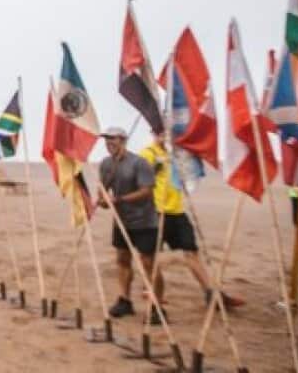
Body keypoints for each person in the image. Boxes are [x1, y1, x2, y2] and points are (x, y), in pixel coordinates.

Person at [141, 132, 244, 309]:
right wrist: (153, 169)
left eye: (166, 132)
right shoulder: (147, 153)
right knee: (150, 258)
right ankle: (154, 294)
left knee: (191, 252)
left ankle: (210, 293)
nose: (163, 136)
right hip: (156, 212)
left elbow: (187, 172)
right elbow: (141, 179)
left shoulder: (176, 154)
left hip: (177, 211)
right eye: (159, 133)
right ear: (153, 134)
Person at [97, 126, 161, 321]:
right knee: (123, 260)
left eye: (113, 139)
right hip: (122, 221)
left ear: (123, 140)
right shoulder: (106, 164)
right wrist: (102, 200)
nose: (109, 143)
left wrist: (120, 200)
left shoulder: (139, 163)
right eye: (106, 139)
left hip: (144, 220)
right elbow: (103, 188)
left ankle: (157, 306)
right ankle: (124, 300)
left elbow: (146, 191)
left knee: (148, 263)